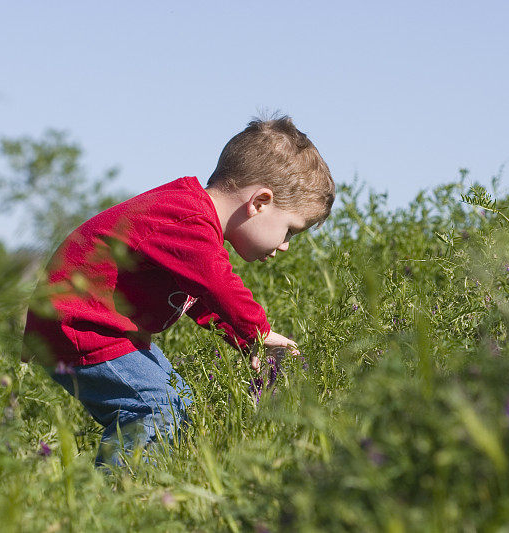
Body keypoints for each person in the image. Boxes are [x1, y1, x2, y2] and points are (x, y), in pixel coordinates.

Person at [21, 116, 335, 468]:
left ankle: (137, 486)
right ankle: (116, 497)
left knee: (177, 401)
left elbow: (202, 298)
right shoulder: (187, 219)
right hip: (81, 327)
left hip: (96, 328)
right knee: (157, 406)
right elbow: (219, 286)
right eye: (290, 230)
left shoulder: (188, 220)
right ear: (260, 202)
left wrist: (248, 343)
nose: (286, 246)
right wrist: (258, 332)